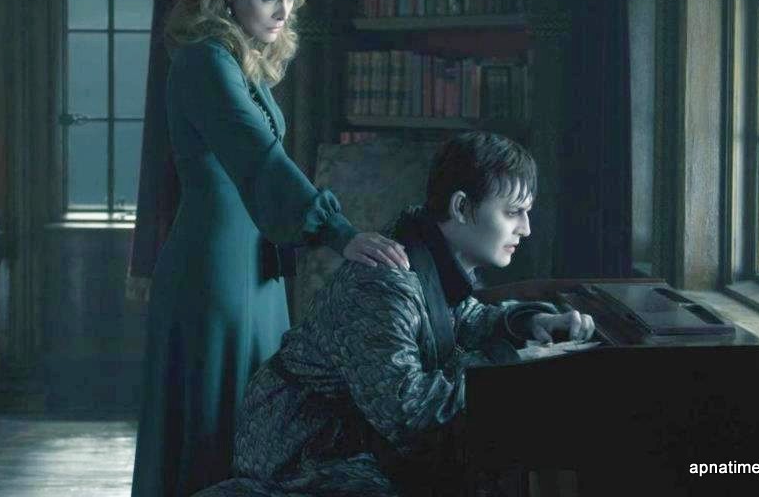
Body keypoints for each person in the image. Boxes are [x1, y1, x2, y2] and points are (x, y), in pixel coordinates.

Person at [130, 0, 411, 497]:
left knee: (255, 426)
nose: (284, 13)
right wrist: (340, 233)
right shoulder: (206, 62)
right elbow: (259, 159)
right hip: (214, 278)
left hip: (254, 272)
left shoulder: (239, 61)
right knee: (221, 430)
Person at [195, 132, 596, 497]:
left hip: (352, 438)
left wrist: (530, 322)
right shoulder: (386, 282)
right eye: (513, 212)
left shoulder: (429, 250)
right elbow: (407, 412)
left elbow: (459, 318)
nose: (525, 228)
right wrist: (508, 364)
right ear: (461, 207)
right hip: (303, 449)